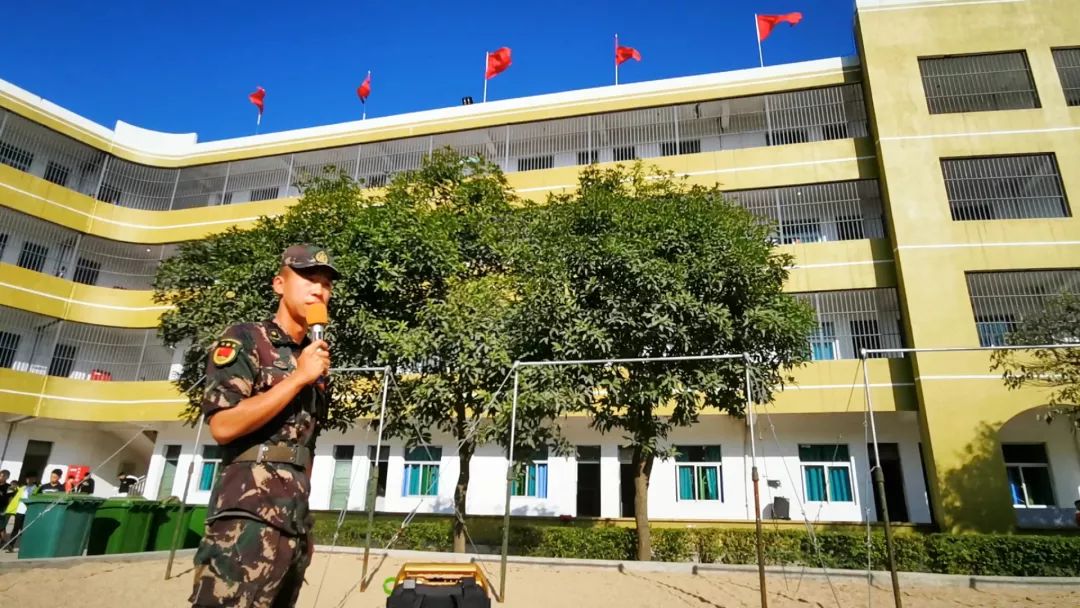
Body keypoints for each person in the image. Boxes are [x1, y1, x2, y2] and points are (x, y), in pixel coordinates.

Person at [190, 244, 336, 608]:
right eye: (307, 278)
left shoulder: (313, 360)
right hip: (246, 518)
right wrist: (297, 379)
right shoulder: (246, 339)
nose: (318, 290)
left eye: (325, 284)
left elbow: (306, 446)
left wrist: (305, 520)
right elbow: (223, 425)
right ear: (279, 284)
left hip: (293, 522)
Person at [4, 475, 36, 553]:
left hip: (28, 512)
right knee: (15, 529)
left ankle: (25, 547)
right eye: (28, 478)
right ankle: (10, 546)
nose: (29, 480)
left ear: (34, 479)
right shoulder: (22, 488)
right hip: (20, 511)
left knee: (24, 530)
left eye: (31, 478)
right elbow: (13, 495)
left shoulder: (36, 488)